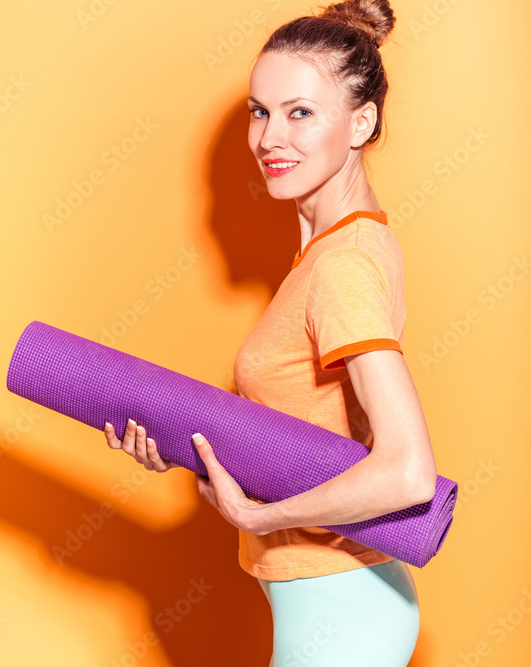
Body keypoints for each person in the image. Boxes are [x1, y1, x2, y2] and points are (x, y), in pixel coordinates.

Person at [102, 1, 439, 664]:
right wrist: (182, 445)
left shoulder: (342, 266)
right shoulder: (334, 251)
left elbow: (407, 471)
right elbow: (305, 431)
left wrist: (259, 516)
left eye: (300, 112)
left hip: (343, 607)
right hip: (333, 600)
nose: (268, 138)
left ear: (360, 122)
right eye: (261, 111)